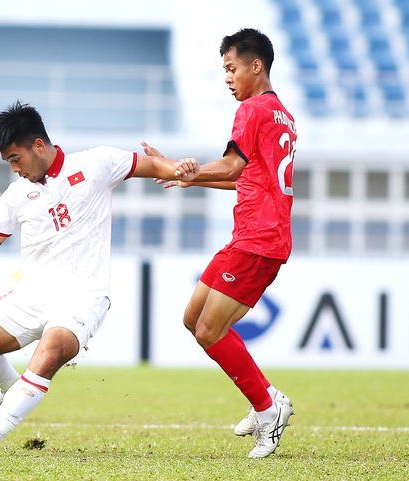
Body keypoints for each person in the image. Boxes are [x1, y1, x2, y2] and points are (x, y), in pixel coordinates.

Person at [0, 100, 194, 456]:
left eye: (14, 158)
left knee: (51, 350)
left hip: (85, 296)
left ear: (37, 146)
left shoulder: (95, 163)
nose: (13, 168)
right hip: (33, 294)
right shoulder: (14, 197)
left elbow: (151, 165)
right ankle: (12, 388)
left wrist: (178, 167)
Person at [142, 28, 296, 458]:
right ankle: (265, 399)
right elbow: (247, 178)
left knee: (210, 329)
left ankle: (268, 410)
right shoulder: (281, 113)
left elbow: (231, 167)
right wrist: (189, 177)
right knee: (194, 320)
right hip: (251, 235)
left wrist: (182, 171)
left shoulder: (251, 110)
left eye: (231, 69)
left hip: (259, 240)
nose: (227, 78)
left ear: (256, 66)